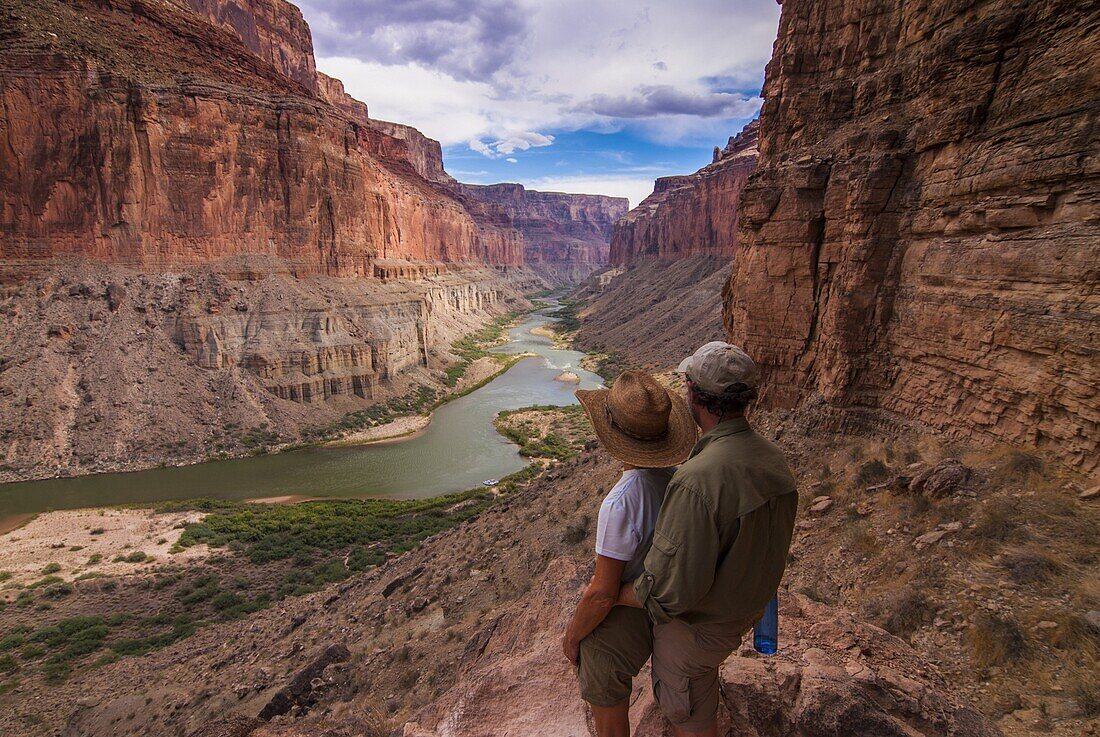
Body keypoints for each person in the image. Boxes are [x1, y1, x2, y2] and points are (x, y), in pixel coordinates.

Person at [616, 342, 798, 736]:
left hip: (698, 636)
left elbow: (668, 592)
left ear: (694, 395)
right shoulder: (772, 458)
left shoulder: (697, 480)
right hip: (745, 612)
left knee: (690, 717)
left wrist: (610, 592)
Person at [564, 370, 697, 737]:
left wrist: (573, 637)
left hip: (633, 613)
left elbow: (602, 593)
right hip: (663, 609)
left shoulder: (621, 501)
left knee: (597, 660)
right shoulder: (673, 479)